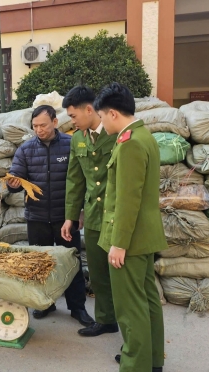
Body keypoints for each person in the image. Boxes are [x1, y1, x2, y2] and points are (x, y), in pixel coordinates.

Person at [94, 83, 167, 372]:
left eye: (101, 117)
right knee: (147, 298)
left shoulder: (130, 143)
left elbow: (127, 199)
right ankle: (150, 358)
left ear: (113, 114)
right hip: (144, 235)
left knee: (130, 305)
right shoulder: (142, 136)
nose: (101, 123)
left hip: (130, 238)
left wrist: (118, 243)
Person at [6, 105, 94, 327]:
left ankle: (78, 307)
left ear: (55, 122)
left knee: (70, 263)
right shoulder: (25, 150)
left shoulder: (70, 144)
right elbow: (16, 180)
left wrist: (78, 211)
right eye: (35, 126)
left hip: (65, 217)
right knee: (40, 263)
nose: (39, 130)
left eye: (43, 125)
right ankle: (45, 303)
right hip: (36, 216)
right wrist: (13, 184)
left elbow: (82, 179)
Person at [61, 86, 120, 338]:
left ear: (88, 109)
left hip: (117, 216)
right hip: (95, 215)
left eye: (73, 116)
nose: (71, 121)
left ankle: (130, 330)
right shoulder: (77, 139)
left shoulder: (116, 134)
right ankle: (106, 320)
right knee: (97, 273)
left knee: (120, 277)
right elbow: (75, 181)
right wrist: (70, 216)